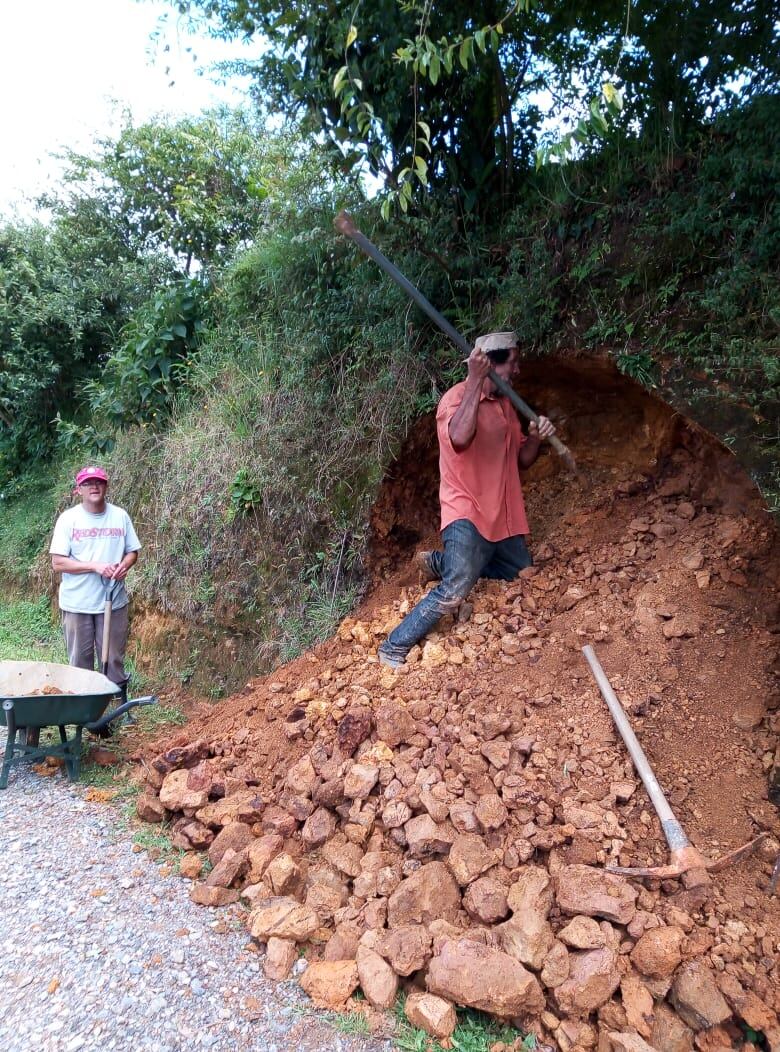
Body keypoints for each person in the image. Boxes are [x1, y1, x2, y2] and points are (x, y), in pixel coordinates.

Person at [378, 331, 556, 668]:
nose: (518, 370)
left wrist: (534, 438)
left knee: (520, 571)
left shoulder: (505, 404)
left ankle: (440, 562)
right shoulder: (455, 400)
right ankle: (393, 646)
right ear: (491, 365)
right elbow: (460, 438)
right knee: (457, 587)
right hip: (467, 511)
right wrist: (475, 381)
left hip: (500, 515)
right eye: (513, 363)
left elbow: (522, 459)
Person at [50, 466, 141, 701]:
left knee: (113, 658)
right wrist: (95, 566)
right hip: (77, 603)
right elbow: (58, 563)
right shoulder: (68, 519)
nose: (94, 487)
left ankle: (117, 705)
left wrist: (124, 565)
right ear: (78, 489)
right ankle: (84, 707)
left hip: (113, 601)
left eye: (99, 482)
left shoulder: (120, 516)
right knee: (80, 660)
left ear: (106, 486)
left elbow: (132, 551)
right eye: (88, 483)